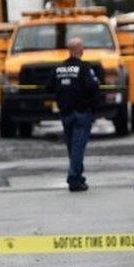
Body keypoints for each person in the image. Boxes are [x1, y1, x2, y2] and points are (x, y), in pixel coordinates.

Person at [46, 37, 101, 192]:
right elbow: (93, 85)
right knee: (78, 147)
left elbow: (48, 87)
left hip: (66, 113)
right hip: (82, 113)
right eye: (82, 47)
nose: (83, 49)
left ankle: (78, 177)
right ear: (78, 49)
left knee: (73, 147)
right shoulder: (84, 67)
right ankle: (73, 178)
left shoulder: (59, 68)